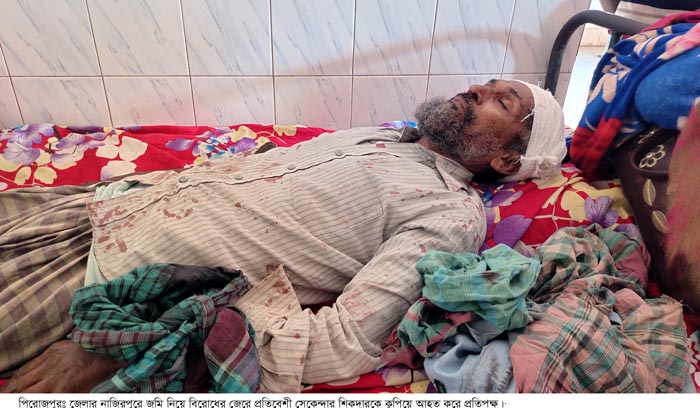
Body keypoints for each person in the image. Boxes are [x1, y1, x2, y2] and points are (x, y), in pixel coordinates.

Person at [0, 79, 566, 393]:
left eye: (502, 101)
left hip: (111, 280)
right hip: (99, 207)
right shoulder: (382, 136)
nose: (476, 90)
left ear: (507, 160)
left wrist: (113, 350)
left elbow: (347, 339)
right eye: (486, 84)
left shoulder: (450, 213)